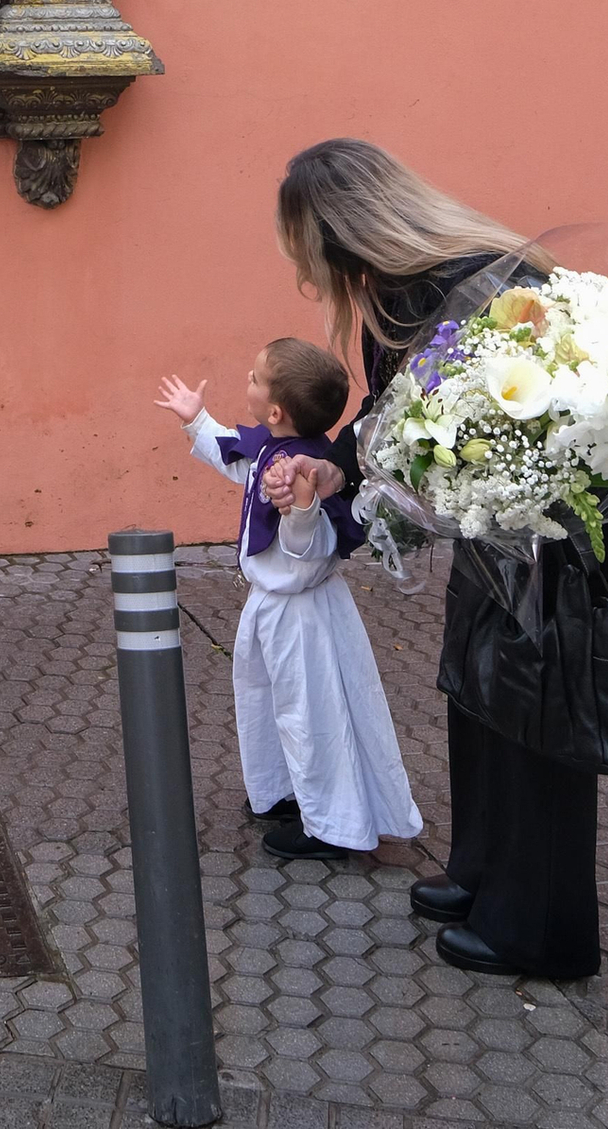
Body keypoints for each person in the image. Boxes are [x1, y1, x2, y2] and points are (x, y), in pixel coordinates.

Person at [264, 137, 608, 980]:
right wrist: (338, 467)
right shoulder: (400, 291)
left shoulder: (477, 283)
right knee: (477, 686)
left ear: (341, 234)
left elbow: (545, 409)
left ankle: (540, 932)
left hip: (576, 518)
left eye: (306, 248)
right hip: (505, 517)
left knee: (536, 702)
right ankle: (484, 871)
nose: (306, 269)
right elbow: (394, 412)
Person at [156, 339, 424, 859]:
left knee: (310, 715)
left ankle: (330, 825)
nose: (248, 383)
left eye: (255, 379)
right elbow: (237, 458)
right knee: (266, 701)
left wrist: (301, 509)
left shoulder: (306, 473)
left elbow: (310, 547)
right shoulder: (275, 452)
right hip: (273, 609)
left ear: (275, 410)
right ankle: (282, 791)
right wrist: (196, 419)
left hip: (303, 616)